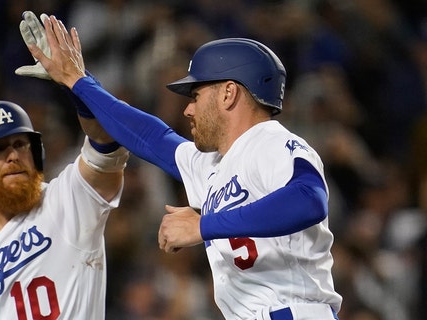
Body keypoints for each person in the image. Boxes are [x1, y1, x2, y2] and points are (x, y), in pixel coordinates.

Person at [19, 11, 343, 320]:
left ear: (229, 93)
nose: (187, 110)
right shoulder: (209, 163)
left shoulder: (268, 141)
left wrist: (202, 226)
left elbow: (308, 200)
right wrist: (77, 81)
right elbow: (147, 135)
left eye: (196, 95)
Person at [0, 96, 130, 318]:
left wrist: (78, 85)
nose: (13, 156)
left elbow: (106, 147)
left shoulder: (67, 201)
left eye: (20, 144)